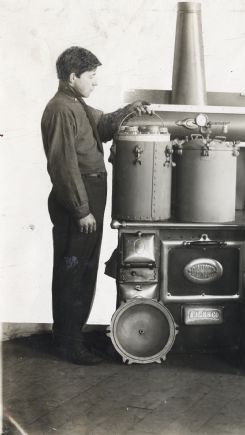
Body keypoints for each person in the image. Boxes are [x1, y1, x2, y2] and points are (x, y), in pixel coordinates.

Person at [41, 46, 152, 365]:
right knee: (72, 270)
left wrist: (130, 110)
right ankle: (67, 343)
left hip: (90, 192)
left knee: (84, 269)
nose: (95, 82)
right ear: (73, 76)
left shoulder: (77, 104)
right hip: (78, 197)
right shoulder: (61, 109)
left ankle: (71, 337)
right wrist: (80, 209)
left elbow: (103, 126)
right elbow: (62, 165)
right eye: (91, 76)